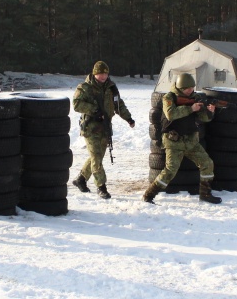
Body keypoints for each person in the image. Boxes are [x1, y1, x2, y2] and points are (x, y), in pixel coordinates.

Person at [142, 73, 221, 204]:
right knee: (170, 170)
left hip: (191, 141)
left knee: (207, 163)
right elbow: (170, 114)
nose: (190, 90)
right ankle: (149, 194)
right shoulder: (169, 97)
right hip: (174, 141)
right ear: (180, 87)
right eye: (187, 88)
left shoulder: (195, 97)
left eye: (192, 88)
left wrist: (210, 112)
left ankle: (205, 193)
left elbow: (203, 118)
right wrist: (191, 108)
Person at [71, 61, 135, 199]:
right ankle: (101, 187)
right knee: (96, 158)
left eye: (105, 74)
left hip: (105, 127)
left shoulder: (111, 88)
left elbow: (119, 106)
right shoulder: (85, 87)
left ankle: (81, 179)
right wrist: (94, 109)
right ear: (94, 74)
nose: (103, 76)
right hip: (90, 128)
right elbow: (76, 104)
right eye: (100, 74)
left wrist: (129, 118)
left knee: (97, 157)